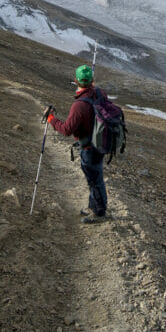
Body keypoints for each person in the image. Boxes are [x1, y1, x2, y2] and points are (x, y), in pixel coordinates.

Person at [46, 64, 108, 223]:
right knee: (96, 177)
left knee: (94, 180)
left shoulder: (79, 105)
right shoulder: (99, 94)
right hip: (99, 143)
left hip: (88, 148)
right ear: (92, 81)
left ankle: (99, 213)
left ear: (76, 81)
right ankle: (93, 207)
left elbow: (67, 129)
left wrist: (51, 119)